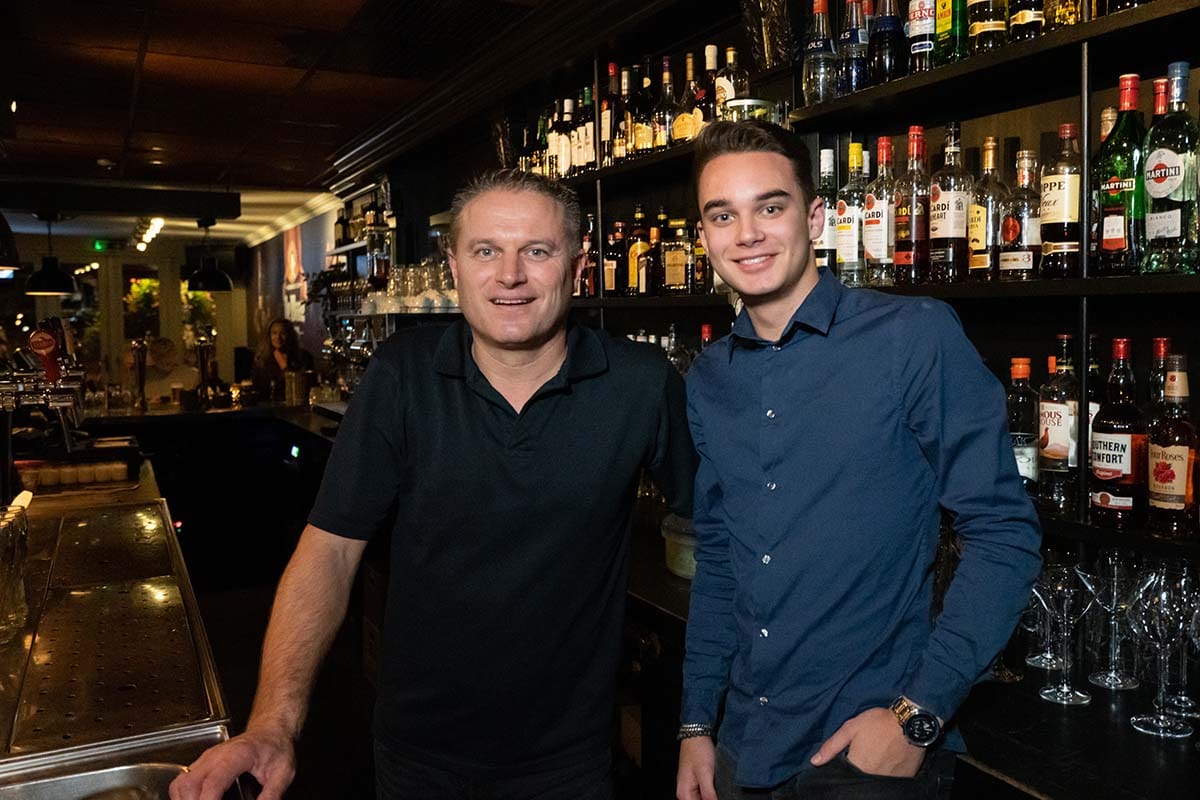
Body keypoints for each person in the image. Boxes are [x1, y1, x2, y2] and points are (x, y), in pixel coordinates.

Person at [170, 169, 695, 800]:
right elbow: (330, 551)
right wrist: (272, 726)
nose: (509, 275)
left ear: (579, 266)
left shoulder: (640, 382)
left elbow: (724, 535)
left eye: (537, 250)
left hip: (571, 762)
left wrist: (711, 719)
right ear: (454, 267)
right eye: (485, 251)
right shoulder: (401, 375)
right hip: (418, 756)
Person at [675, 121, 1042, 800]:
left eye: (771, 207)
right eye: (723, 214)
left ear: (814, 217)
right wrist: (696, 724)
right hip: (740, 746)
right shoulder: (709, 380)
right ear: (704, 237)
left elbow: (1004, 534)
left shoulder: (911, 336)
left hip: (861, 759)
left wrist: (919, 716)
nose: (747, 232)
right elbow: (721, 559)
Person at [251, 318, 313, 401]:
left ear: (290, 335)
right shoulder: (262, 359)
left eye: (283, 333)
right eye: (274, 333)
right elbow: (259, 389)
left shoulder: (304, 357)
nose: (278, 337)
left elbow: (302, 387)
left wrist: (284, 367)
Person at [144, 337, 199, 403]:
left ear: (175, 353)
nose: (165, 359)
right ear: (152, 356)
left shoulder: (191, 375)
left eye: (169, 353)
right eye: (160, 355)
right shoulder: (143, 377)